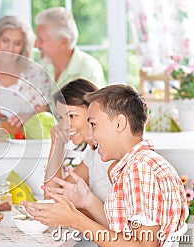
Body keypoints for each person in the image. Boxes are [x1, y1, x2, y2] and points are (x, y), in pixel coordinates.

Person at [24, 84, 188, 246]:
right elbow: (122, 231)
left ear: (119, 123)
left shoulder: (139, 169)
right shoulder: (139, 164)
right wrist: (88, 201)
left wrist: (75, 219)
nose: (91, 134)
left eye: (93, 124)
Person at [44, 79, 113, 209]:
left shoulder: (110, 155)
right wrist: (57, 145)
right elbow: (53, 197)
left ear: (93, 112)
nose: (64, 125)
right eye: (61, 118)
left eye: (72, 116)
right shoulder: (93, 155)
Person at [34, 7, 105, 94]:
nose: (36, 45)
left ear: (63, 42)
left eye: (41, 39)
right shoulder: (45, 68)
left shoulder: (88, 69)